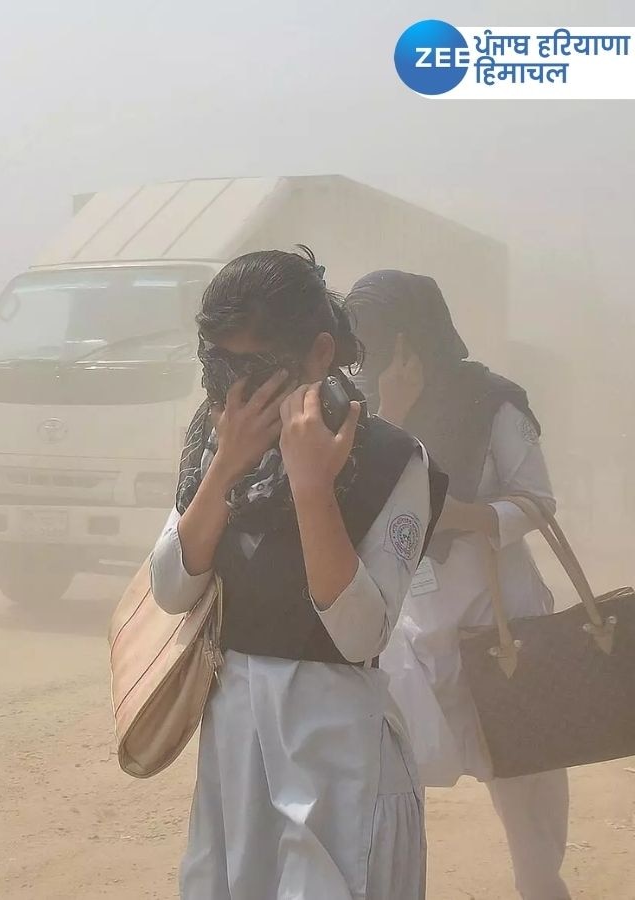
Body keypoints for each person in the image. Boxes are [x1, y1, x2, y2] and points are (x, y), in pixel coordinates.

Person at [151, 247, 446, 900]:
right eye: (218, 367)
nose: (234, 393)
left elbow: (358, 635)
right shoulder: (215, 441)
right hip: (236, 760)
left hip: (338, 767)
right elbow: (172, 588)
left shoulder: (393, 460)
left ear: (318, 355)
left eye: (252, 368)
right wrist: (225, 468)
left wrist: (313, 487)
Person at [345, 270, 570, 900]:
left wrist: (467, 517)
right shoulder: (358, 411)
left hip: (502, 615)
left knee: (526, 776)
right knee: (387, 781)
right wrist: (390, 413)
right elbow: (353, 507)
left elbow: (539, 500)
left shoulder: (492, 400)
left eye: (382, 337)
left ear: (415, 335)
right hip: (410, 626)